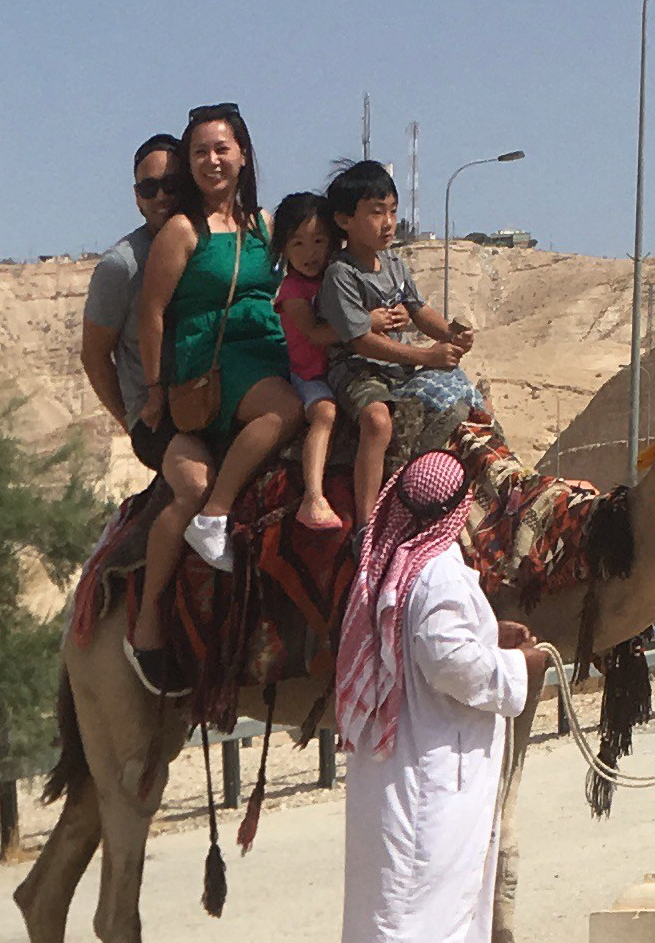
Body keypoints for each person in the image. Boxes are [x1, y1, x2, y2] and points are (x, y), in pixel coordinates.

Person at [333, 449, 549, 943]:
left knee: (389, 908)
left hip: (399, 767)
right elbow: (446, 659)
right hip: (432, 775)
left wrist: (492, 635)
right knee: (430, 906)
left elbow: (432, 639)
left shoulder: (399, 564)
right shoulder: (440, 573)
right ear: (456, 509)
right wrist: (519, 669)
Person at [130, 104, 302, 697]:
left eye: (221, 148)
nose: (212, 160)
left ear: (244, 154)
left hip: (269, 346)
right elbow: (151, 312)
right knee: (287, 411)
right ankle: (210, 521)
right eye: (200, 151)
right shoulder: (182, 232)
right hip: (216, 361)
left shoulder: (263, 224)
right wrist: (154, 389)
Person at [318, 161, 482, 529]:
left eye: (392, 211)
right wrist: (427, 355)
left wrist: (451, 334)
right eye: (376, 213)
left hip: (397, 368)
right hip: (357, 370)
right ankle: (366, 524)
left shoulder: (395, 264)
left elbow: (419, 310)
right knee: (377, 421)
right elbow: (362, 342)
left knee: (459, 403)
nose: (388, 222)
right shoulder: (340, 275)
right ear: (345, 220)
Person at [81, 132, 185, 472]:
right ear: (137, 198)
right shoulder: (121, 267)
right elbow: (95, 355)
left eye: (171, 184)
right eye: (149, 188)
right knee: (196, 485)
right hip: (158, 418)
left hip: (210, 401)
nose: (161, 196)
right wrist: (132, 422)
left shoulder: (212, 249)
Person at [271, 191, 347, 534]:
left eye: (318, 240)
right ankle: (312, 497)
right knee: (325, 413)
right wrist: (367, 324)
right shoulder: (292, 292)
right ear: (283, 249)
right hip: (310, 373)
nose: (310, 252)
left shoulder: (340, 278)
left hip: (344, 369)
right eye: (298, 243)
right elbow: (316, 334)